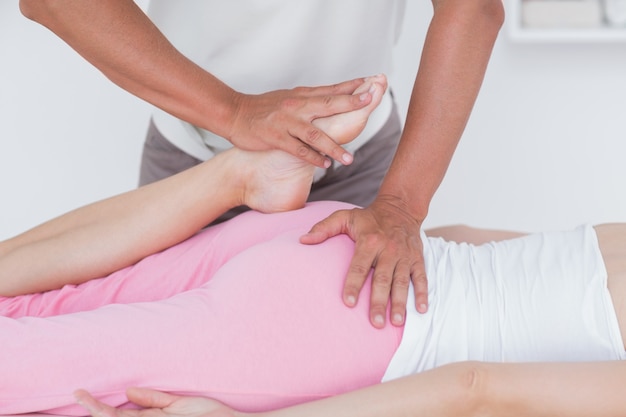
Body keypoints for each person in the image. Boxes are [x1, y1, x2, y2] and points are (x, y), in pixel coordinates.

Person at [1, 90, 625, 416]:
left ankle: (239, 173)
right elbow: (475, 390)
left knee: (31, 303)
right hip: (358, 327)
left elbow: (464, 240)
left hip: (338, 243)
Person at [17, 0, 506, 326]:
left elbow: (473, 7)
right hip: (194, 153)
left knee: (350, 368)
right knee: (157, 371)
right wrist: (231, 112)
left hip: (358, 165)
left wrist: (400, 205)